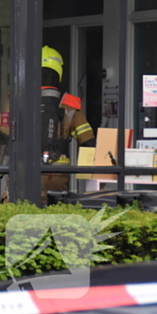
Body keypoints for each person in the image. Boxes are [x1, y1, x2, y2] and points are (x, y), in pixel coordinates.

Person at [41, 46, 95, 203]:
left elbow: (2, 134)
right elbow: (88, 142)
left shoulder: (19, 100)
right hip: (57, 174)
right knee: (55, 210)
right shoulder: (69, 104)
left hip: (25, 172)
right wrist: (89, 176)